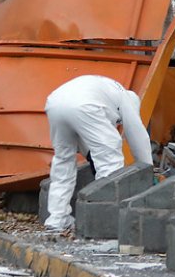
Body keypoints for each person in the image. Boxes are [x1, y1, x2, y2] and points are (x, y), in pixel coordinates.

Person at [44, 75, 153, 231]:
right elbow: (137, 136)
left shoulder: (106, 93)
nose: (118, 124)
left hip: (54, 103)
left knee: (63, 161)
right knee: (110, 160)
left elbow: (86, 140)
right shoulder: (126, 99)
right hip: (84, 104)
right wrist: (147, 171)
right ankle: (104, 222)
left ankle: (56, 220)